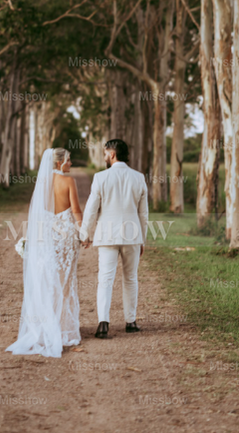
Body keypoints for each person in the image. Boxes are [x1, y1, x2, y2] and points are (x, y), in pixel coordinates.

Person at [6, 147, 82, 357]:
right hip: (66, 235)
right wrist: (83, 231)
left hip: (48, 233)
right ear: (59, 163)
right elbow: (76, 210)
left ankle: (46, 324)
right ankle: (60, 325)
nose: (71, 163)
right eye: (68, 160)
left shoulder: (42, 182)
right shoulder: (68, 181)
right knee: (65, 280)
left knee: (47, 278)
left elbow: (38, 211)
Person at [80, 138, 148, 339]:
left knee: (105, 280)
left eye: (105, 153)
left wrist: (85, 234)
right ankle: (131, 321)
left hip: (107, 235)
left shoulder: (100, 178)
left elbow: (91, 210)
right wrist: (142, 239)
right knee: (131, 278)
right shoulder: (139, 178)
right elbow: (143, 214)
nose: (104, 157)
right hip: (132, 235)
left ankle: (103, 324)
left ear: (112, 154)